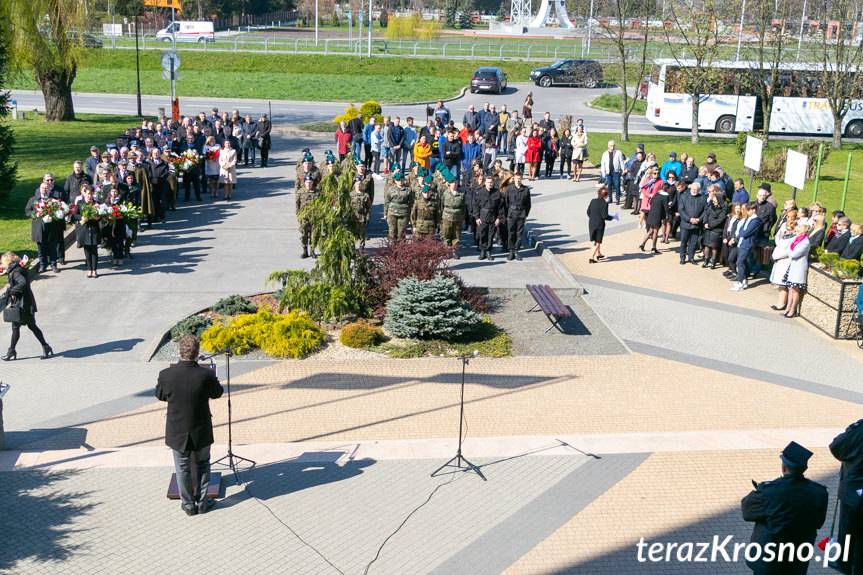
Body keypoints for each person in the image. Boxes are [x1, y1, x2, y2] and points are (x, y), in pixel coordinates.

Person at [155, 335, 224, 516]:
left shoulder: (166, 375)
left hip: (177, 431)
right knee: (203, 465)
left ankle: (188, 505)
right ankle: (202, 503)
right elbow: (217, 393)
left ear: (180, 351)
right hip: (200, 429)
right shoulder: (206, 375)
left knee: (182, 467)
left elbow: (160, 395)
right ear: (197, 352)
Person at [741, 441, 828, 574]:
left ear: (784, 467)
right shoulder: (819, 492)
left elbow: (747, 512)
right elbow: (819, 522)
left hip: (769, 559)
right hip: (797, 558)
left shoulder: (769, 492)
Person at [0, 252, 53, 361]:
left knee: (28, 327)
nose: (2, 264)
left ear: (7, 261)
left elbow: (23, 283)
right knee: (21, 327)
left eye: (2, 262)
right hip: (24, 303)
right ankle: (13, 351)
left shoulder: (15, 272)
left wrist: (13, 291)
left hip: (23, 305)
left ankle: (44, 347)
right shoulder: (16, 269)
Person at [830, 419, 863, 575]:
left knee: (848, 530)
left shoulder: (860, 430)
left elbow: (837, 446)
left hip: (855, 492)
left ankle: (844, 563)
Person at [25, 183, 63, 273]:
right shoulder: (33, 200)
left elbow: (59, 211)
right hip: (39, 228)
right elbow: (27, 211)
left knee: (52, 247)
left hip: (51, 227)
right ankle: (43, 265)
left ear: (49, 189)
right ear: (39, 189)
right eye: (43, 188)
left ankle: (54, 265)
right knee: (41, 249)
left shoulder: (53, 200)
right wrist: (36, 214)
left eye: (46, 188)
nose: (45, 190)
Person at [780, 223, 812, 318]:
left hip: (799, 268)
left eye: (798, 231)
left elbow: (794, 254)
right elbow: (789, 249)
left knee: (795, 290)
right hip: (793, 266)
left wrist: (790, 251)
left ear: (803, 232)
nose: (796, 232)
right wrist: (790, 250)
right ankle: (787, 308)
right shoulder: (796, 239)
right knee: (790, 289)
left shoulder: (805, 242)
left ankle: (793, 310)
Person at [730, 202, 762, 291]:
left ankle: (740, 282)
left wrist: (741, 233)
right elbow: (741, 229)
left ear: (753, 210)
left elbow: (745, 232)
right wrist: (741, 233)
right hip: (742, 243)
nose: (747, 212)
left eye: (748, 210)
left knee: (740, 262)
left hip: (747, 244)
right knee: (742, 262)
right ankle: (744, 280)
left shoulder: (756, 221)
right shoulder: (749, 218)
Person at [296, 153, 321, 258]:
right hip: (304, 212)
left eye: (309, 163)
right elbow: (297, 202)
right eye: (305, 163)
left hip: (314, 212)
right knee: (304, 233)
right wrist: (298, 214)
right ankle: (305, 250)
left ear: (312, 164)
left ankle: (312, 251)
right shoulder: (299, 171)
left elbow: (320, 185)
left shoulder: (316, 172)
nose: (306, 165)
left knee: (314, 233)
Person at [474, 174, 503, 261]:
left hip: (493, 217)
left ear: (493, 183)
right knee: (483, 234)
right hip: (483, 216)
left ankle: (488, 251)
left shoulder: (497, 193)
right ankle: (483, 251)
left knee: (491, 235)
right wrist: (477, 217)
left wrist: (499, 218)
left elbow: (500, 207)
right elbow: (476, 206)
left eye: (491, 182)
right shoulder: (480, 192)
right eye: (488, 182)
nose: (490, 184)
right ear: (485, 183)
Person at [678, 182, 707, 265]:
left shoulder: (702, 198)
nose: (695, 191)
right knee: (684, 241)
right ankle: (682, 258)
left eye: (697, 190)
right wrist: (689, 219)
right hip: (686, 224)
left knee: (693, 243)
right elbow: (681, 210)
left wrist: (699, 219)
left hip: (697, 224)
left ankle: (691, 257)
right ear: (691, 188)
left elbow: (705, 210)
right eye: (694, 189)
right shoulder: (684, 196)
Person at [504, 171, 531, 261]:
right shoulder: (508, 189)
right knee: (511, 233)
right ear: (514, 178)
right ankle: (511, 251)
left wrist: (525, 214)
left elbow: (528, 204)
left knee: (519, 234)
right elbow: (506, 202)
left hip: (521, 214)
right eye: (517, 178)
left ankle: (516, 251)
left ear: (522, 179)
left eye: (520, 178)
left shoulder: (526, 189)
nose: (518, 180)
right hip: (511, 213)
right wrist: (508, 213)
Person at [587, 185, 615, 264]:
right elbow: (605, 216)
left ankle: (599, 254)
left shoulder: (593, 201)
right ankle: (591, 257)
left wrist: (593, 217)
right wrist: (612, 217)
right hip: (599, 225)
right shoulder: (605, 204)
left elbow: (588, 212)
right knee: (598, 241)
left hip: (592, 223)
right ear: (605, 195)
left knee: (596, 239)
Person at [441, 171, 466, 257]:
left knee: (456, 235)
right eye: (452, 183)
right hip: (447, 217)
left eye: (455, 183)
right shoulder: (445, 193)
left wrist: (462, 217)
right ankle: (447, 251)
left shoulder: (461, 194)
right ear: (449, 184)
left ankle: (454, 251)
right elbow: (441, 205)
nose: (454, 184)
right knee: (446, 234)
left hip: (457, 217)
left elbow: (463, 207)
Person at [701, 186, 727, 268]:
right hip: (708, 228)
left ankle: (713, 261)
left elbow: (721, 219)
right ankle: (706, 260)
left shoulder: (723, 208)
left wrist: (710, 225)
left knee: (714, 247)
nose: (714, 200)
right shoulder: (710, 205)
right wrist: (705, 222)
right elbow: (706, 213)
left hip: (716, 229)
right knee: (706, 245)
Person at [384, 171, 413, 241]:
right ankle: (392, 249)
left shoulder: (408, 190)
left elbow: (411, 203)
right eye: (398, 180)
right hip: (392, 213)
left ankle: (400, 249)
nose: (400, 181)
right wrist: (385, 213)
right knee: (392, 232)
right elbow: (387, 201)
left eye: (401, 180)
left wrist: (410, 215)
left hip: (403, 213)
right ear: (395, 181)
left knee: (401, 233)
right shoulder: (390, 189)